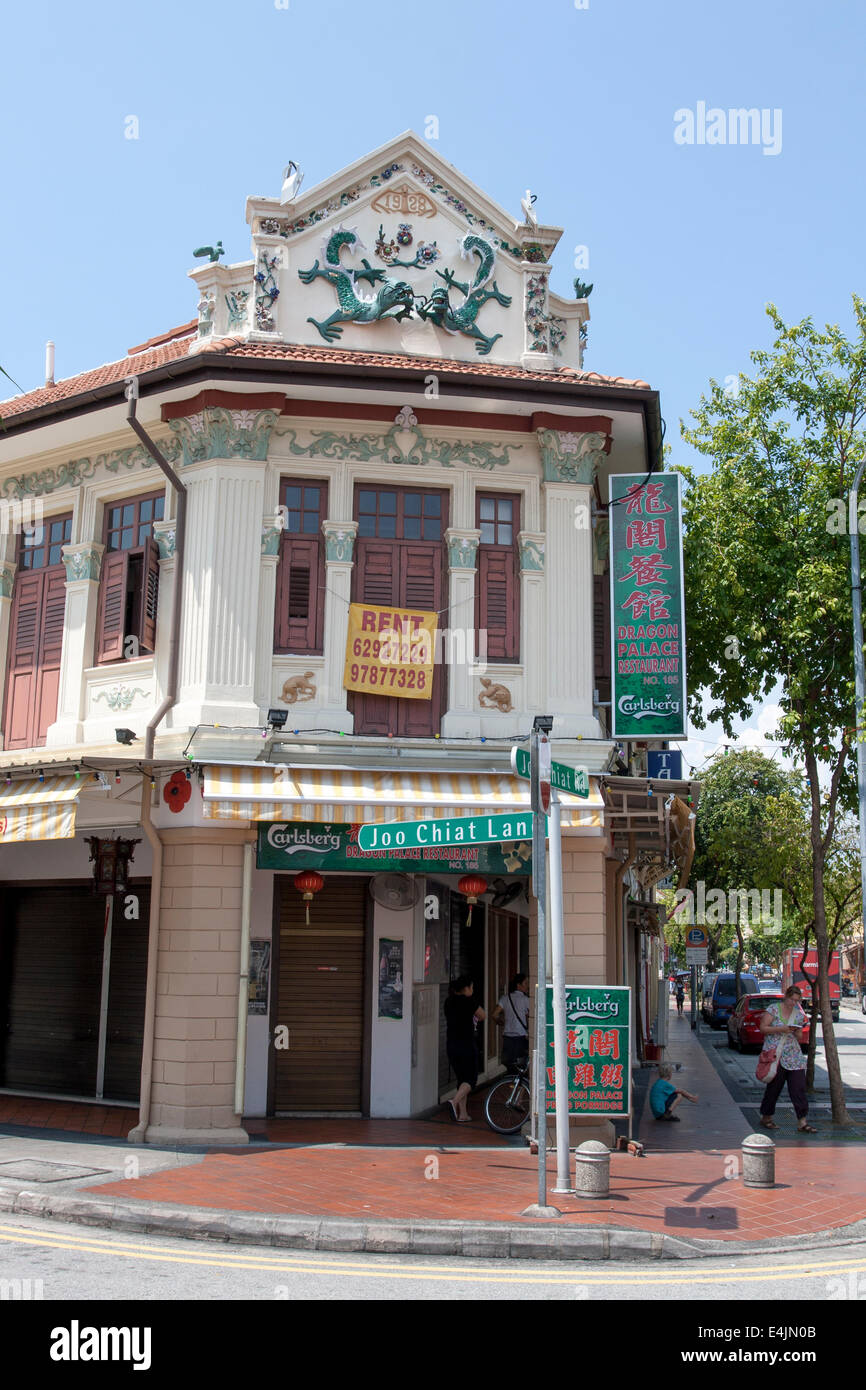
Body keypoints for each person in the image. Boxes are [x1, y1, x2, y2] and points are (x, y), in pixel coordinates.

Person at [758, 985, 816, 1133]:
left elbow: (800, 1037)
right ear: (786, 996)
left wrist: (796, 1031)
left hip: (793, 1056)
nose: (793, 1003)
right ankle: (766, 1117)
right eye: (791, 999)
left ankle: (802, 1121)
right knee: (774, 1088)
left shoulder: (797, 1014)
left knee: (798, 1088)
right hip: (776, 1055)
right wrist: (781, 1029)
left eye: (796, 1001)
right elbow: (763, 1028)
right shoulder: (773, 1009)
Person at [443, 976, 485, 1122]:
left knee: (462, 1079)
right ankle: (454, 1102)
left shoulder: (448, 1001)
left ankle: (463, 1114)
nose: (472, 990)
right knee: (471, 1079)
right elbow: (482, 1015)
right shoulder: (469, 1001)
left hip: (451, 1045)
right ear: (466, 988)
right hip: (466, 1044)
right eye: (471, 987)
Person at [492, 972, 530, 1069]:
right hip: (521, 1037)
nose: (528, 986)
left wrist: (501, 1022)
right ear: (518, 985)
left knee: (509, 1065)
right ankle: (517, 1083)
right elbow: (530, 1017)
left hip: (507, 1037)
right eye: (525, 983)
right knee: (520, 1065)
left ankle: (510, 1082)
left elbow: (494, 1014)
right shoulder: (526, 1000)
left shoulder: (505, 998)